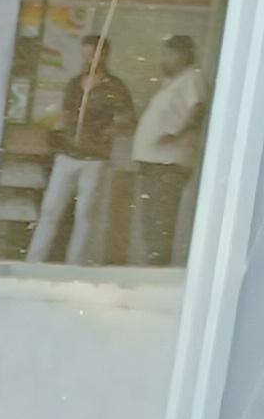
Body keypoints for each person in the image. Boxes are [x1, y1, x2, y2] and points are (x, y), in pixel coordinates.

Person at [30, 40, 132, 262]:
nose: (86, 60)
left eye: (91, 55)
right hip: (67, 154)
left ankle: (75, 264)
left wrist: (109, 130)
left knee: (85, 213)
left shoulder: (115, 86)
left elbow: (127, 120)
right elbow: (65, 113)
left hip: (95, 158)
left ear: (103, 55)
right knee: (50, 209)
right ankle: (34, 259)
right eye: (84, 55)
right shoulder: (75, 83)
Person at [125, 35, 212, 266]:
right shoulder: (173, 83)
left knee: (160, 217)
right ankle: (152, 263)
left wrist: (176, 134)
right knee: (150, 218)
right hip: (154, 160)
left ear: (182, 56)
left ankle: (157, 265)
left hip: (168, 161)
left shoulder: (192, 78)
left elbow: (198, 110)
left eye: (168, 55)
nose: (163, 60)